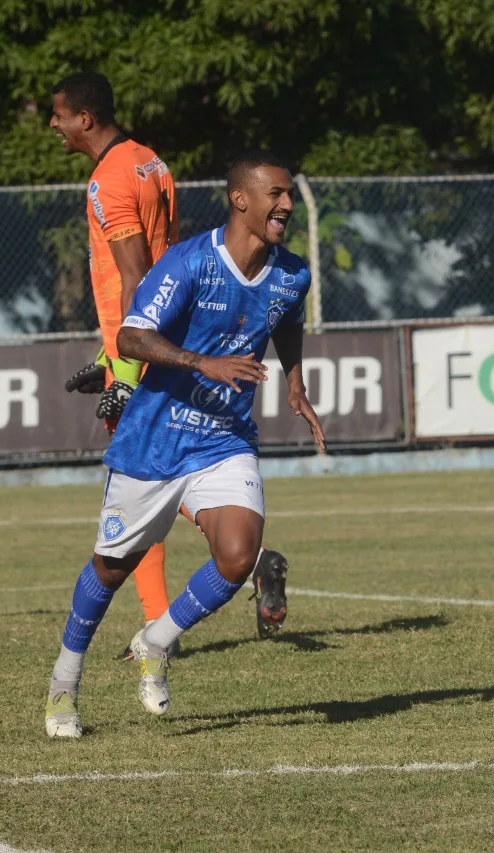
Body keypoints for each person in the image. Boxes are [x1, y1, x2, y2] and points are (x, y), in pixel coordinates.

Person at [44, 151, 325, 738]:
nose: (287, 205)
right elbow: (132, 335)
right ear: (240, 200)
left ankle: (156, 639)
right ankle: (63, 686)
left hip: (223, 439)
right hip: (155, 440)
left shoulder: (292, 272)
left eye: (291, 195)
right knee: (111, 568)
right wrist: (202, 362)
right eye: (275, 194)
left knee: (239, 554)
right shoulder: (190, 261)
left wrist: (294, 381)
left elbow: (287, 316)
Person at [51, 71, 291, 649]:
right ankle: (235, 570)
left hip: (144, 349)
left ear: (85, 118)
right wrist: (106, 355)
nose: (52, 125)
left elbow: (137, 279)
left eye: (58, 114)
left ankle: (163, 623)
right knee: (168, 479)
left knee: (144, 489)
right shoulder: (148, 161)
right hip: (157, 339)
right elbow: (167, 263)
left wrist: (127, 372)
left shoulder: (106, 180)